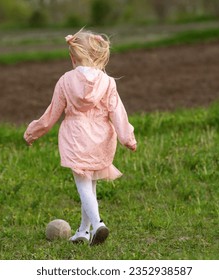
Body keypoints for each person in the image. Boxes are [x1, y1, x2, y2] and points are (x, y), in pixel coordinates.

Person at [23, 28, 137, 246]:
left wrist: (32, 132)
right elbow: (118, 112)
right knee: (91, 184)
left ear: (72, 56)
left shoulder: (66, 81)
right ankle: (83, 232)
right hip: (101, 138)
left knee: (83, 184)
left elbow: (51, 115)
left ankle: (98, 224)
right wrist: (128, 138)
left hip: (76, 138)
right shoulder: (108, 82)